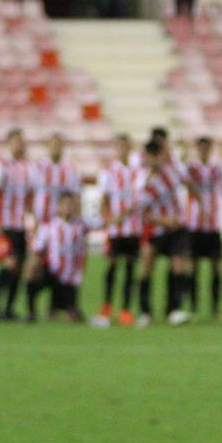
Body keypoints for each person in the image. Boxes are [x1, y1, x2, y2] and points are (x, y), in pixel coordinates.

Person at [127, 139, 190, 326]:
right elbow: (143, 212)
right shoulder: (144, 181)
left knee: (179, 266)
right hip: (155, 229)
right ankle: (145, 311)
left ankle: (174, 309)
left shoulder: (172, 172)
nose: (156, 159)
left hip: (176, 228)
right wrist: (164, 220)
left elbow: (187, 180)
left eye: (159, 154)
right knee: (146, 266)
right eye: (153, 155)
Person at [26, 132, 80, 323]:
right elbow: (29, 194)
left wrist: (76, 223)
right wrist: (31, 220)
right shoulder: (37, 168)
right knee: (34, 266)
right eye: (53, 144)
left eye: (59, 144)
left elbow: (75, 198)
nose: (56, 148)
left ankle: (57, 308)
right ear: (47, 147)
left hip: (63, 229)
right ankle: (30, 309)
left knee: (63, 267)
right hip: (42, 226)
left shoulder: (69, 169)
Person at [92, 133, 141, 328]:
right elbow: (104, 199)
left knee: (130, 269)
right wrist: (109, 220)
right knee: (112, 267)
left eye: (125, 145)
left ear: (130, 147)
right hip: (116, 230)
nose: (122, 149)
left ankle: (126, 311)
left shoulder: (139, 171)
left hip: (134, 228)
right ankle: (106, 307)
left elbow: (142, 198)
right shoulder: (109, 171)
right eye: (119, 146)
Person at [0, 127, 31, 321]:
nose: (20, 145)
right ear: (9, 143)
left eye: (21, 141)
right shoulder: (0, 166)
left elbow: (30, 196)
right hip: (6, 224)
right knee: (9, 264)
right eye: (16, 141)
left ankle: (9, 309)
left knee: (19, 267)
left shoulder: (27, 167)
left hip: (21, 225)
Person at [33, 191, 92, 323]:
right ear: (59, 206)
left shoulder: (81, 225)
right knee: (32, 283)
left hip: (71, 276)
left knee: (74, 317)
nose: (68, 208)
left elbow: (104, 222)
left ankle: (58, 308)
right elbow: (38, 249)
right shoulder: (49, 226)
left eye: (71, 205)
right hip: (52, 273)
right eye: (65, 204)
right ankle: (32, 311)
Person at [183, 136, 222, 319]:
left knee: (216, 267)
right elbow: (182, 175)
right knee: (193, 266)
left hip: (213, 225)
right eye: (201, 147)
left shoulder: (217, 168)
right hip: (195, 224)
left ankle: (215, 307)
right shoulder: (192, 168)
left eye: (207, 147)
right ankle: (193, 305)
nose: (204, 150)